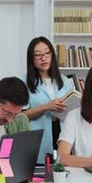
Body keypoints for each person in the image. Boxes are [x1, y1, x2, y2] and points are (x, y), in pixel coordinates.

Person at [22, 36, 74, 164]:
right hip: (38, 133)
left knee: (62, 168)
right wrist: (46, 107)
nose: (43, 58)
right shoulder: (24, 81)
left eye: (47, 53)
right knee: (41, 170)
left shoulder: (65, 81)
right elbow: (21, 116)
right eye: (38, 55)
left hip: (63, 131)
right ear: (31, 59)